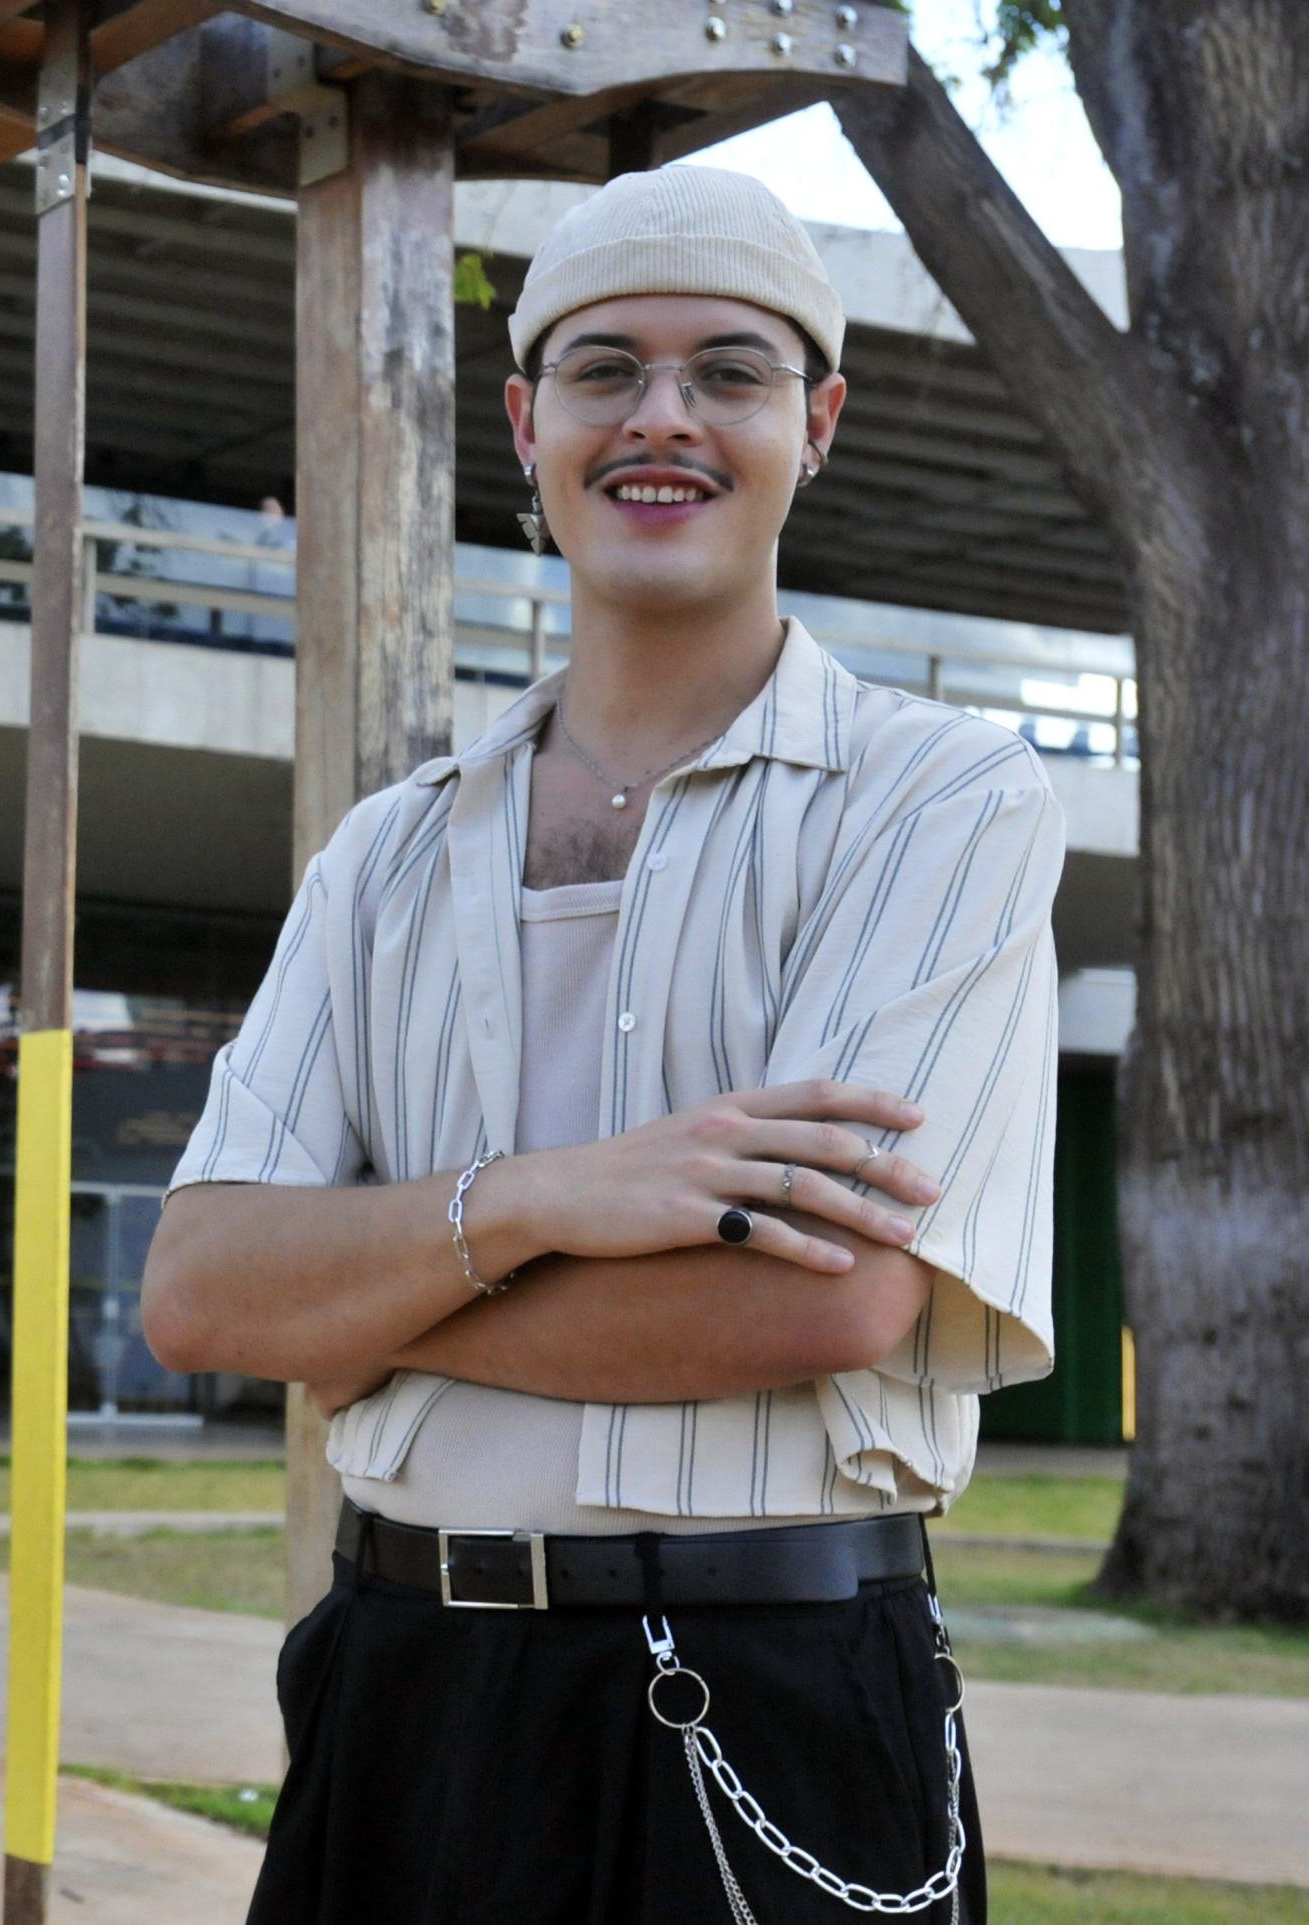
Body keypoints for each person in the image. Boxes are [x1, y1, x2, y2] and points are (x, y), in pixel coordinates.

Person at [141, 166, 1061, 1922]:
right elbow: (199, 1294)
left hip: (771, 1685)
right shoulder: (385, 849)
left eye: (725, 371)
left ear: (818, 422)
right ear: (521, 422)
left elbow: (826, 1297)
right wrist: (558, 1196)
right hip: (399, 1678)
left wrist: (373, 1304)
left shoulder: (938, 800)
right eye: (603, 372)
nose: (660, 420)